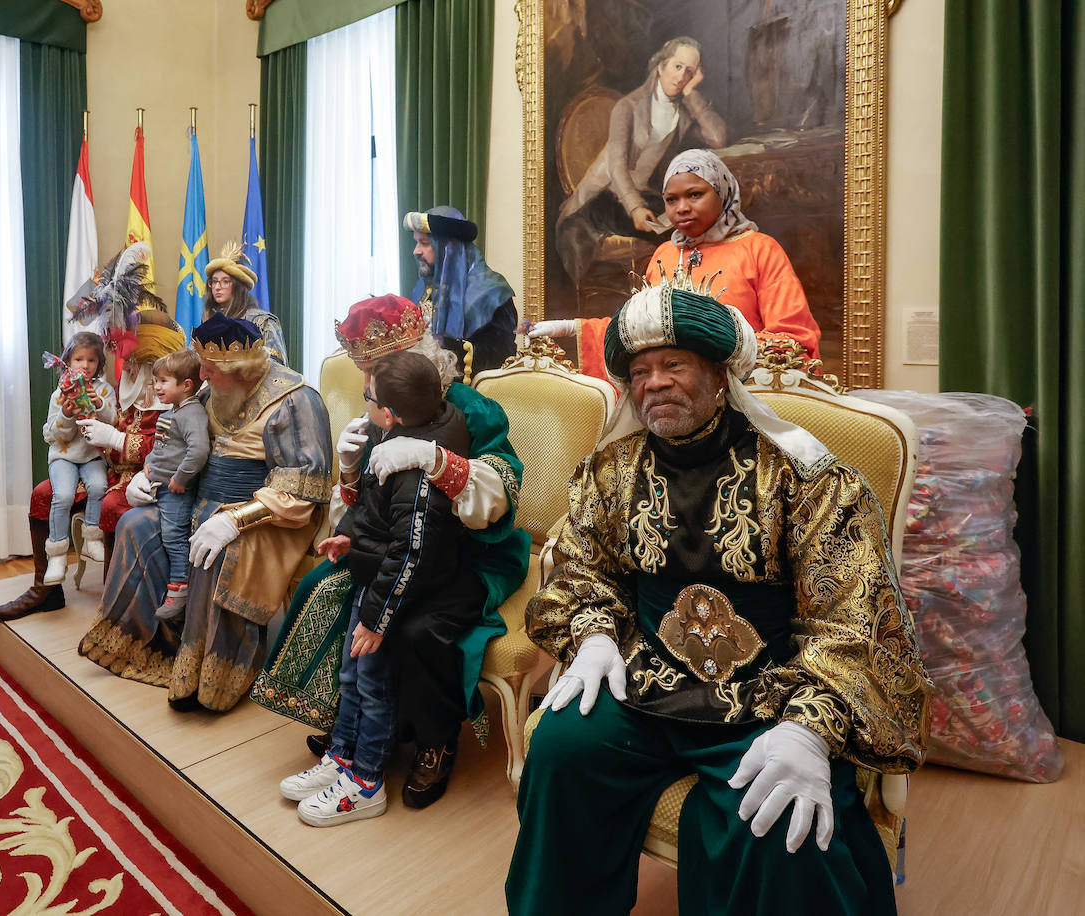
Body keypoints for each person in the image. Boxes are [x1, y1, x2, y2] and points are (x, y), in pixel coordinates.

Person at [505, 268, 931, 916]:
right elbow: (585, 567)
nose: (653, 384)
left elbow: (855, 617)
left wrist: (809, 732)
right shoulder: (611, 470)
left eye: (673, 365)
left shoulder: (807, 477)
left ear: (719, 374)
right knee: (562, 751)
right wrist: (592, 636)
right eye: (639, 372)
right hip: (644, 678)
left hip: (772, 692)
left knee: (776, 828)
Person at [253, 294, 531, 809]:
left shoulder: (469, 408)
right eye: (365, 371)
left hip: (472, 550)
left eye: (375, 370)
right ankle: (354, 725)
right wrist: (353, 471)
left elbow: (505, 489)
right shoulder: (386, 405)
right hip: (403, 543)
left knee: (417, 623)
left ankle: (434, 739)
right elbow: (381, 511)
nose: (365, 385)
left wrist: (438, 460)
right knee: (327, 583)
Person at [77, 314, 332, 712]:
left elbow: (303, 490)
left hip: (270, 515)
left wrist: (234, 519)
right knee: (134, 525)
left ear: (242, 369)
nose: (205, 379)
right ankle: (158, 647)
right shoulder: (211, 392)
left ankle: (212, 675)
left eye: (213, 371)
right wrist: (148, 477)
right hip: (199, 499)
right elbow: (180, 448)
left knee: (211, 554)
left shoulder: (295, 399)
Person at [280, 350, 474, 826]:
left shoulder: (414, 467)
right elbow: (381, 515)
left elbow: (412, 552)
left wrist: (375, 618)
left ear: (391, 413)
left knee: (371, 684)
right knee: (351, 677)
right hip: (376, 573)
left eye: (368, 397)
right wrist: (354, 537)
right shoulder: (409, 433)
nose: (363, 404)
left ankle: (366, 780)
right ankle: (343, 756)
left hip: (401, 592)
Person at [0, 244, 186, 621]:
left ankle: (115, 605)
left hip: (140, 477)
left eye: (128, 353)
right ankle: (45, 588)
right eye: (119, 351)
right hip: (99, 464)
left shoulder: (165, 391)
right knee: (43, 494)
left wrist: (111, 438)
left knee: (110, 504)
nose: (121, 360)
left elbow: (159, 449)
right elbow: (75, 427)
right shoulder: (122, 381)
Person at [533, 148, 822, 384]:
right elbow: (642, 327)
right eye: (671, 200)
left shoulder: (759, 248)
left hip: (741, 396)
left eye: (694, 195)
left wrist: (712, 351)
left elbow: (792, 340)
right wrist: (573, 328)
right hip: (668, 395)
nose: (681, 207)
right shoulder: (665, 254)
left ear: (723, 193)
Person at [556, 36, 728, 282]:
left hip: (645, 198)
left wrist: (692, 94)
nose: (681, 77)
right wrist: (635, 207)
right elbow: (617, 165)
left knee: (700, 226)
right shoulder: (628, 106)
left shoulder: (682, 113)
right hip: (604, 201)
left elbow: (718, 138)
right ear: (661, 66)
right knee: (681, 236)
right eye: (677, 66)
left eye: (689, 72)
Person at [41, 331, 117, 584]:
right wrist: (66, 413)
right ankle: (57, 554)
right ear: (68, 361)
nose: (85, 365)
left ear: (99, 364)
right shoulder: (59, 394)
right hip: (63, 456)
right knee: (62, 496)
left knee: (99, 486)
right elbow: (55, 436)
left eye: (91, 360)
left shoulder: (104, 391)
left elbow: (113, 423)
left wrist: (98, 405)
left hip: (92, 455)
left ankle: (92, 538)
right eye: (79, 359)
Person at [404, 206, 517, 376]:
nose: (416, 251)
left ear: (448, 247)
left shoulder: (491, 293)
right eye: (416, 242)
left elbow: (500, 357)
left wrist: (444, 346)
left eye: (425, 243)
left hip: (471, 394)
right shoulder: (423, 286)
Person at [142, 348, 210, 617]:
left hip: (175, 492)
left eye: (163, 381)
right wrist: (149, 461)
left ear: (186, 385)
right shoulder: (175, 411)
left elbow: (199, 450)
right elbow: (163, 445)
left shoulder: (191, 414)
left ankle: (179, 587)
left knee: (174, 537)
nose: (157, 387)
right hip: (160, 486)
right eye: (156, 381)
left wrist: (180, 479)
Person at [203, 240, 287, 365]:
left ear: (238, 287)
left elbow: (275, 366)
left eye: (225, 281)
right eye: (214, 281)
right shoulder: (209, 322)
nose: (217, 287)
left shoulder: (263, 322)